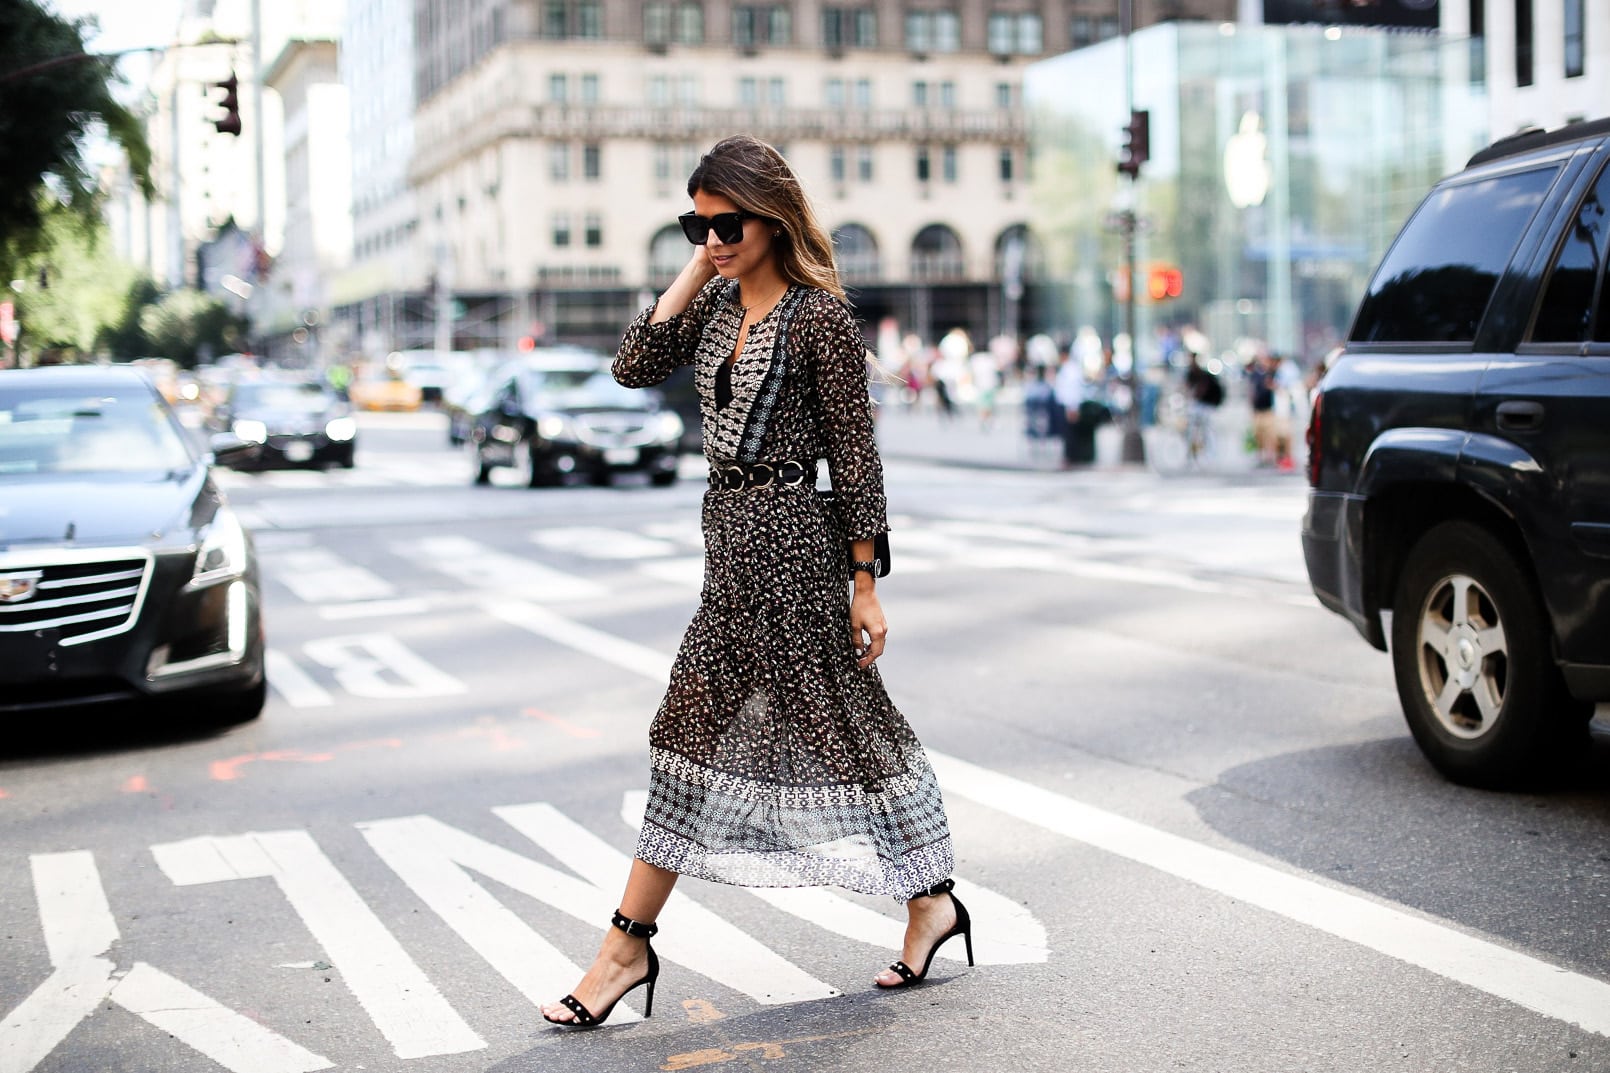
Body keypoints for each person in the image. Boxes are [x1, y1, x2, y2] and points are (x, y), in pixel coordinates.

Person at [540, 135, 970, 1028]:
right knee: (696, 735)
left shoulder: (820, 319)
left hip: (798, 555)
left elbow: (856, 458)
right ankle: (631, 945)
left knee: (844, 729)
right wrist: (695, 273)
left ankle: (631, 944)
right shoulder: (715, 301)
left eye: (725, 222)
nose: (712, 237)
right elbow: (632, 365)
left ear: (770, 217)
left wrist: (865, 581)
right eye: (695, 224)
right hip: (731, 549)